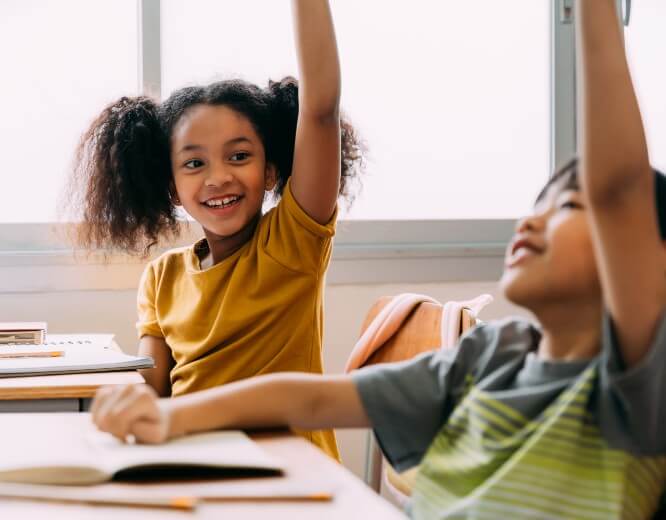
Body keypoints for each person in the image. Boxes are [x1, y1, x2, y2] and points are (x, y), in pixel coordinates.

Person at [90, 0, 666, 517]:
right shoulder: (492, 357)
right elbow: (293, 394)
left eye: (569, 204)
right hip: (195, 462)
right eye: (193, 164)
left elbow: (619, 191)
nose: (531, 219)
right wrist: (153, 413)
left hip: (280, 477)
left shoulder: (633, 381)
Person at [69, 0, 363, 460]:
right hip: (192, 457)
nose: (218, 177)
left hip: (289, 468)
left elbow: (320, 110)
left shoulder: (292, 243)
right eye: (194, 163)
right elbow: (154, 384)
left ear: (271, 172)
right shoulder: (162, 276)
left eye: (239, 156)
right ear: (170, 187)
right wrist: (127, 402)